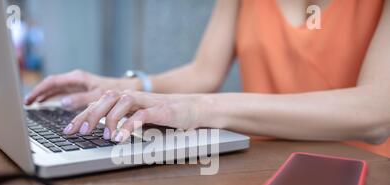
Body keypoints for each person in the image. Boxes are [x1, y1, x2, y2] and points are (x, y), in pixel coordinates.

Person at [25, 0, 390, 157]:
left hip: (364, 182)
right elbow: (204, 72)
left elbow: (376, 113)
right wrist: (121, 88)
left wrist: (202, 109)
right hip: (259, 168)